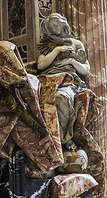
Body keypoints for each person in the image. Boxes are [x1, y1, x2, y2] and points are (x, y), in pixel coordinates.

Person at [37, 13, 90, 148]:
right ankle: (44, 138)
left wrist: (71, 61)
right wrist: (57, 50)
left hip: (68, 82)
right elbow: (41, 65)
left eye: (55, 25)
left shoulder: (76, 44)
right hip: (48, 81)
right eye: (50, 27)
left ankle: (63, 138)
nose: (53, 29)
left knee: (60, 97)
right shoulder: (48, 45)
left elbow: (85, 69)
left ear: (63, 25)